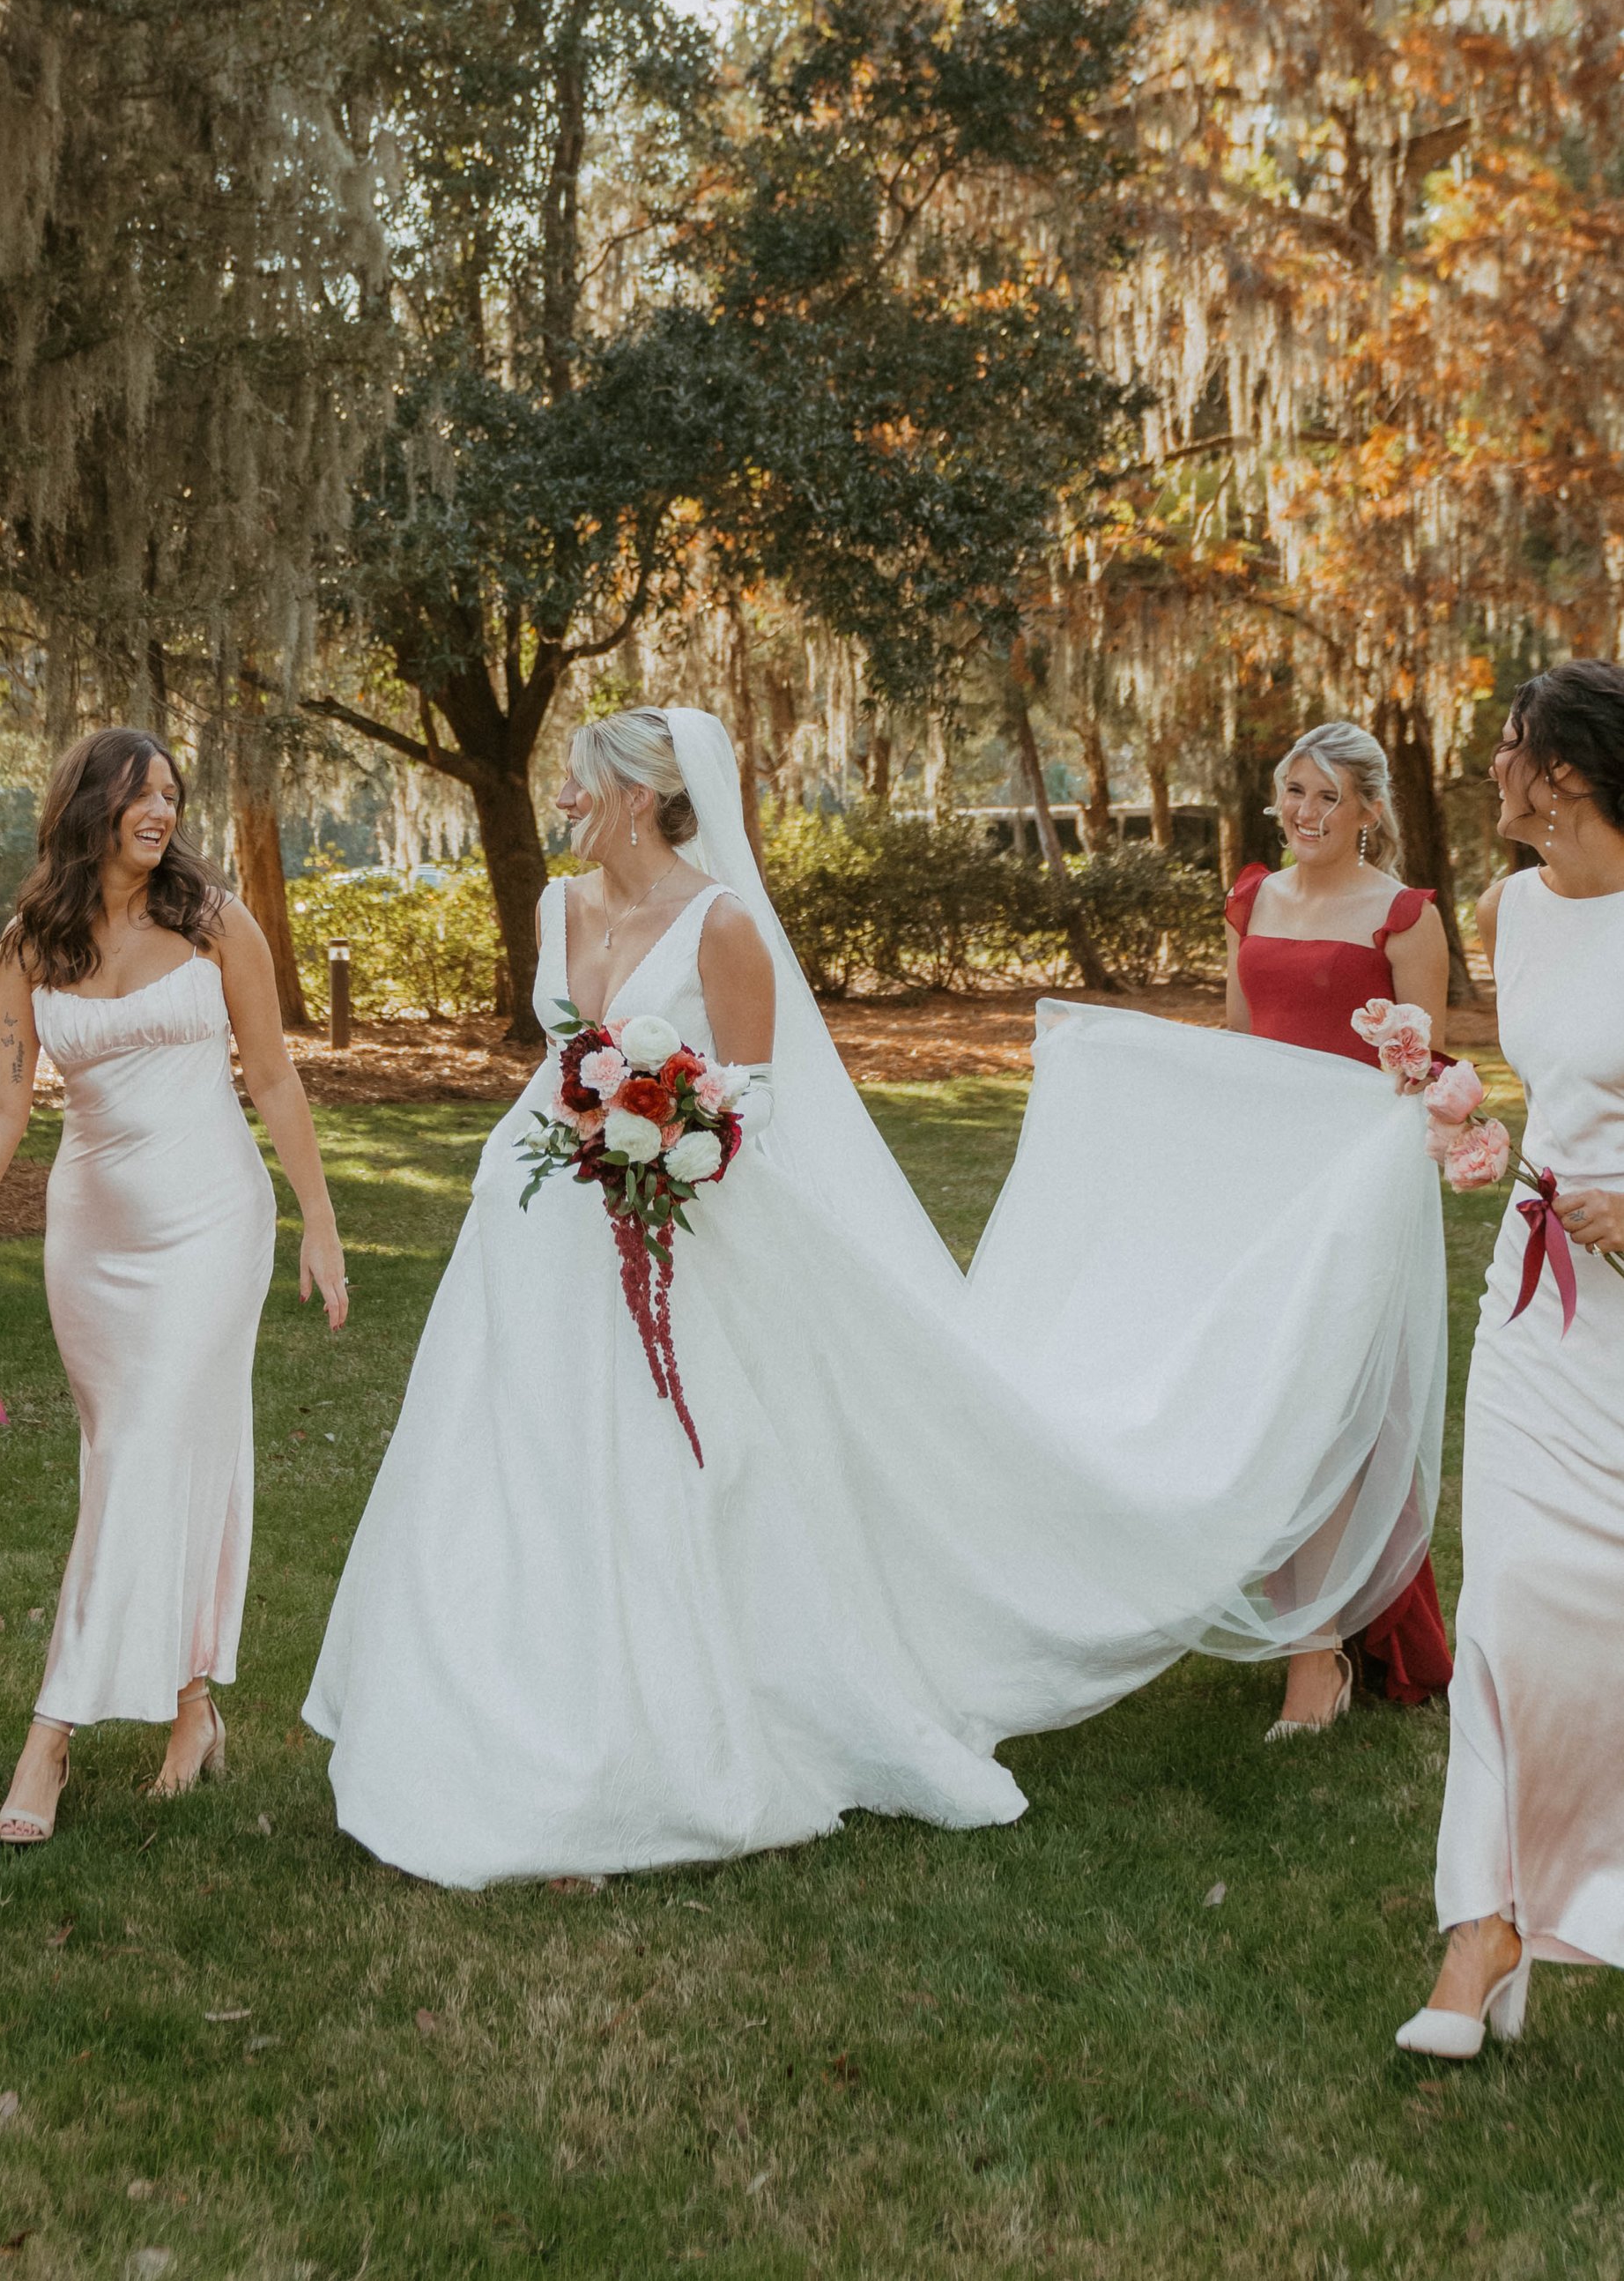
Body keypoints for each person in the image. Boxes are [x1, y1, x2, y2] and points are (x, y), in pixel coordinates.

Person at [308, 704, 1447, 1889]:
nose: (563, 802)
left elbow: (750, 1100)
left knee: (678, 1472)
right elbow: (555, 1062)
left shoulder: (723, 924)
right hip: (536, 1226)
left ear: (640, 795)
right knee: (515, 1459)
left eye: (581, 783)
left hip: (678, 1225)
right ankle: (478, 1709)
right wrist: (576, 1137)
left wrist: (660, 1142)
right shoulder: (555, 906)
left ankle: (657, 1732)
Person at [0, 727, 347, 1844]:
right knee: (133, 1461)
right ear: (87, 807)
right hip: (93, 1237)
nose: (160, 814)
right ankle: (191, 1708)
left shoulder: (214, 923)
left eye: (171, 796)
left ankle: (50, 1734)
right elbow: (3, 1099)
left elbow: (270, 1073)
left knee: (148, 1453)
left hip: (211, 1220)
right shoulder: (31, 943)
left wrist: (319, 1218)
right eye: (138, 796)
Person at [1397, 660, 1624, 2060]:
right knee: (1513, 1600)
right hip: (1539, 1304)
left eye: (1513, 746)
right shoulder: (1510, 909)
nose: (1492, 763)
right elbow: (1565, 1090)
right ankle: (1482, 1934)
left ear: (1572, 775)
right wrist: (1483, 1139)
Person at [1223, 720, 1454, 1734]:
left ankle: (1320, 1655)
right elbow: (1235, 1045)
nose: (1304, 814)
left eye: (1325, 796)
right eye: (1293, 793)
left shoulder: (1403, 918)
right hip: (1261, 1178)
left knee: (1337, 1411)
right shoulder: (1251, 898)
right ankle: (1305, 1631)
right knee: (1267, 1404)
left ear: (1368, 810)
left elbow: (1419, 1073)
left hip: (1356, 1186)